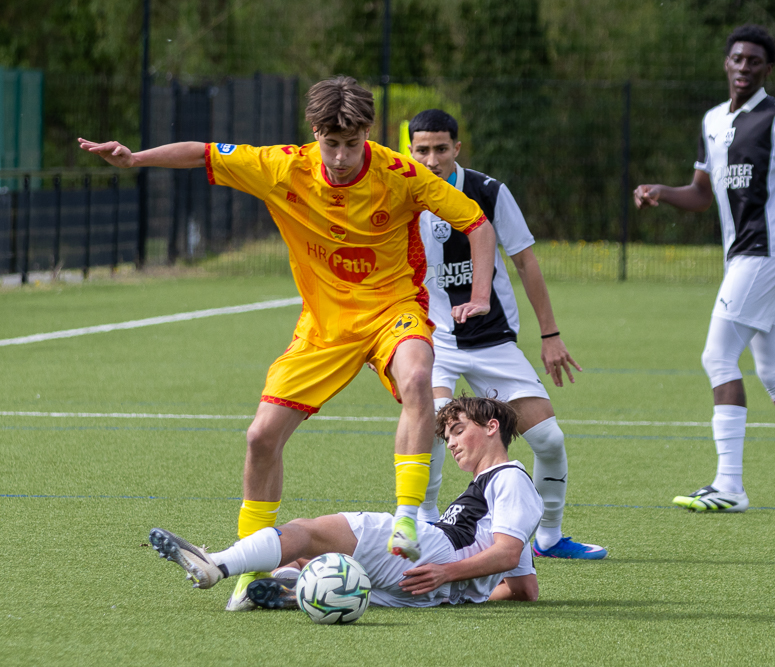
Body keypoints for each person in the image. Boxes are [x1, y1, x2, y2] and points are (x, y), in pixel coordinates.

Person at [80, 75, 499, 609]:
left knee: (419, 376)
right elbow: (203, 153)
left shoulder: (402, 174)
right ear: (315, 135)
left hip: (393, 310)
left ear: (367, 134)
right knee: (260, 438)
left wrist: (480, 294)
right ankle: (243, 573)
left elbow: (477, 223)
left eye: (352, 144)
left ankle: (408, 518)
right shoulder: (284, 166)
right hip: (323, 327)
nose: (342, 156)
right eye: (331, 144)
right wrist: (135, 159)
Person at [633, 25, 775, 514]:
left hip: (767, 252)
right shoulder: (712, 120)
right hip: (742, 256)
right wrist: (660, 193)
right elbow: (700, 193)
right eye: (737, 58)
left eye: (754, 60)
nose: (744, 66)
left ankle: (729, 485)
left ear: (767, 69)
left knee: (717, 356)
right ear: (726, 63)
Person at [406, 109, 606, 559]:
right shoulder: (399, 193)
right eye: (422, 150)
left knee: (549, 440)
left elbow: (526, 261)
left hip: (493, 340)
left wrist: (550, 334)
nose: (432, 158)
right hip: (433, 339)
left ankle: (549, 537)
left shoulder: (490, 192)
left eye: (441, 148)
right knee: (432, 417)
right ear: (410, 151)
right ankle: (425, 523)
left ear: (457, 148)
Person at [149, 395, 543, 608]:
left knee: (307, 531)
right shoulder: (496, 490)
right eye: (449, 436)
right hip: (422, 587)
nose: (452, 443)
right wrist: (458, 594)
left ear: (492, 427)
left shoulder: (509, 478)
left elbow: (507, 554)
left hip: (428, 551)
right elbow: (524, 587)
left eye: (458, 431)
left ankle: (216, 565)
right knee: (304, 559)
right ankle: (294, 588)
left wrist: (447, 574)